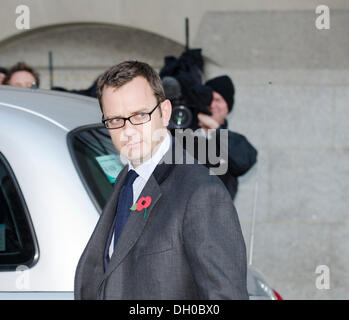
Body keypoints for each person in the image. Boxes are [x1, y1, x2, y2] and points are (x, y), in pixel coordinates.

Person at [74, 61, 249, 300]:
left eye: (139, 115)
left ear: (165, 112)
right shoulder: (124, 183)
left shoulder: (201, 193)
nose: (128, 131)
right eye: (115, 120)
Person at [196, 75, 258, 201]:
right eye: (209, 99)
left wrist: (214, 128)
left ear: (227, 108)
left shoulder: (234, 142)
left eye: (218, 100)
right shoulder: (181, 136)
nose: (212, 105)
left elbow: (243, 162)